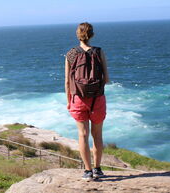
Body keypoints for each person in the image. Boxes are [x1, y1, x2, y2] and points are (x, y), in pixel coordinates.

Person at [65, 22, 109, 181]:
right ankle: (98, 169)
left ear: (77, 35)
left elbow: (67, 82)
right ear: (92, 35)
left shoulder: (71, 54)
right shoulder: (99, 52)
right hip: (97, 99)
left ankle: (88, 172)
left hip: (78, 99)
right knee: (97, 135)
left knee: (82, 135)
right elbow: (107, 79)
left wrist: (69, 101)